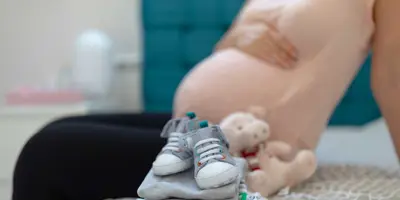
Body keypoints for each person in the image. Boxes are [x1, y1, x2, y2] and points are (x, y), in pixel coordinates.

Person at [12, 0, 400, 199]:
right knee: (59, 128)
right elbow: (234, 44)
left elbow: (391, 80)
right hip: (201, 124)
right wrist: (238, 39)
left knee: (45, 152)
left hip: (252, 143)